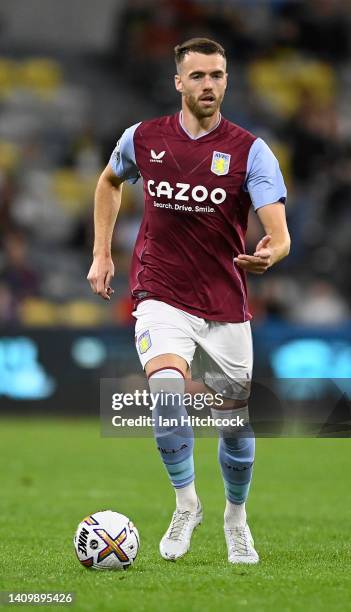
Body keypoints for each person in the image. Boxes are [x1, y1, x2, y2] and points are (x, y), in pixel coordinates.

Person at [88, 38, 290, 564]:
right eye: (197, 75)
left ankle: (235, 517)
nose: (208, 85)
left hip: (224, 305)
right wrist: (101, 254)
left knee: (236, 429)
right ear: (178, 82)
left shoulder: (252, 151)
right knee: (167, 394)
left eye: (217, 75)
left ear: (227, 80)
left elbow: (280, 233)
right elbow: (109, 182)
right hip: (161, 295)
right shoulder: (143, 138)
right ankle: (186, 503)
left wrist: (273, 251)